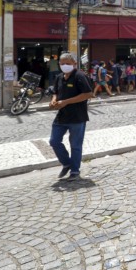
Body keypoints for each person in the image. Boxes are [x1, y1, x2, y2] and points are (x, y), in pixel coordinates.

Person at [48, 52, 93, 181]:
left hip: (77, 117)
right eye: (62, 63)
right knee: (54, 141)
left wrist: (66, 102)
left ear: (74, 64)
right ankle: (67, 163)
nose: (65, 65)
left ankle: (75, 171)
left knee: (75, 145)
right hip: (61, 116)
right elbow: (56, 92)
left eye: (68, 63)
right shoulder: (59, 77)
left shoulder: (80, 76)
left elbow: (88, 94)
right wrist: (54, 100)